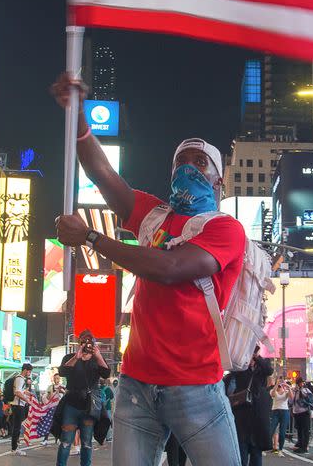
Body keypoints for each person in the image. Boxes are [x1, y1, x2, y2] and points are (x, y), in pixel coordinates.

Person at [52, 74, 246, 466]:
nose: (188, 167)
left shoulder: (225, 229)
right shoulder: (153, 214)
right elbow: (103, 175)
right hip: (136, 387)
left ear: (218, 180)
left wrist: (91, 237)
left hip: (196, 388)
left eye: (199, 162)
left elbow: (171, 268)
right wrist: (77, 119)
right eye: (181, 161)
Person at [56, 329, 111, 466]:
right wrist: (76, 357)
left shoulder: (96, 358)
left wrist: (98, 356)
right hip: (71, 405)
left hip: (89, 407)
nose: (87, 344)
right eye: (84, 341)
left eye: (90, 341)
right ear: (79, 342)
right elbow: (62, 372)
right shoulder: (70, 357)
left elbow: (106, 374)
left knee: (86, 443)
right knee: (65, 442)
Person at [224, 346, 273, 466]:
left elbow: (269, 370)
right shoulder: (241, 368)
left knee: (256, 452)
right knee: (242, 451)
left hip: (257, 415)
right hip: (241, 413)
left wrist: (256, 357)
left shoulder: (261, 367)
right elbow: (231, 372)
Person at [11, 362, 34, 456]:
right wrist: (27, 400)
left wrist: (27, 393)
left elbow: (20, 391)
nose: (29, 373)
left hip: (18, 405)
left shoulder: (20, 379)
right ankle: (14, 448)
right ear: (25, 370)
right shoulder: (20, 379)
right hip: (18, 405)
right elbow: (17, 392)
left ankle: (15, 447)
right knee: (16, 427)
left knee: (17, 427)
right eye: (29, 371)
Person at [270, 378, 293, 457]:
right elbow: (272, 394)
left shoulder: (286, 391)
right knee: (271, 429)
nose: (281, 384)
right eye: (279, 382)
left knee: (282, 432)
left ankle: (280, 450)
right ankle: (265, 447)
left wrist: (288, 387)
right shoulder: (274, 390)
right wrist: (276, 385)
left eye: (282, 382)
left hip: (284, 412)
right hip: (275, 411)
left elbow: (291, 397)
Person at [291, 376, 313, 454]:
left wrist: (301, 391)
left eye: (300, 382)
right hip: (297, 413)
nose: (300, 384)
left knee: (305, 430)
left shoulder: (306, 390)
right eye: (298, 383)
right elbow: (292, 401)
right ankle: (300, 445)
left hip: (304, 412)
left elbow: (310, 400)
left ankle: (304, 447)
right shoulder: (295, 391)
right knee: (299, 430)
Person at [42, 375, 65, 446]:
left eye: (57, 378)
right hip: (52, 407)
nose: (56, 380)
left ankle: (58, 438)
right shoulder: (50, 387)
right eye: (55, 378)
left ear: (60, 379)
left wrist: (62, 391)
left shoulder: (63, 386)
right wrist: (50, 394)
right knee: (49, 423)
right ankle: (45, 439)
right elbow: (47, 397)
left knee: (59, 423)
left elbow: (66, 395)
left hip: (60, 408)